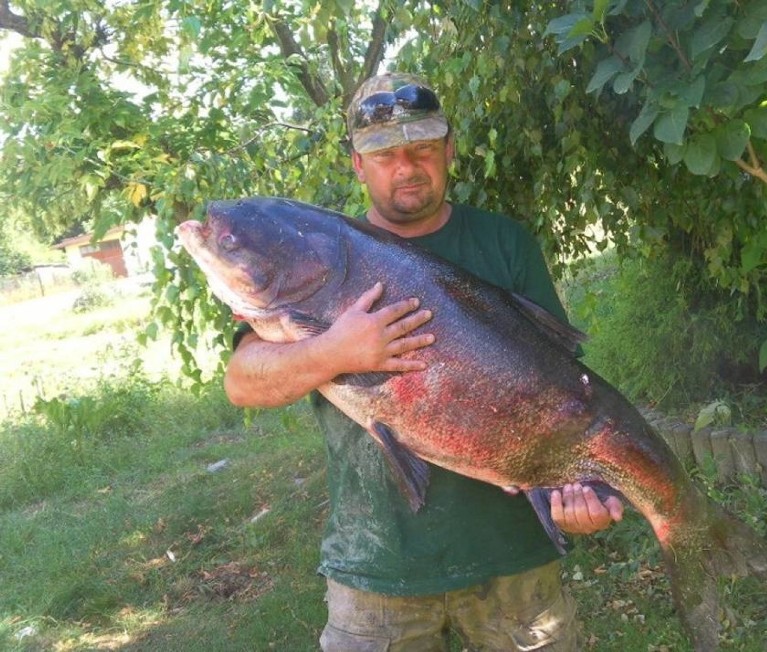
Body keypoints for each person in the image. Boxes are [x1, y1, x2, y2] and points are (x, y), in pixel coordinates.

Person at [224, 72, 623, 651]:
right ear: (358, 165)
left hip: (513, 562)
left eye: (423, 149)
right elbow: (242, 382)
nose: (406, 167)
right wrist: (337, 350)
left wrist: (581, 486)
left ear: (449, 151)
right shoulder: (313, 256)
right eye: (384, 154)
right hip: (377, 564)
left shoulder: (503, 243)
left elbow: (563, 392)